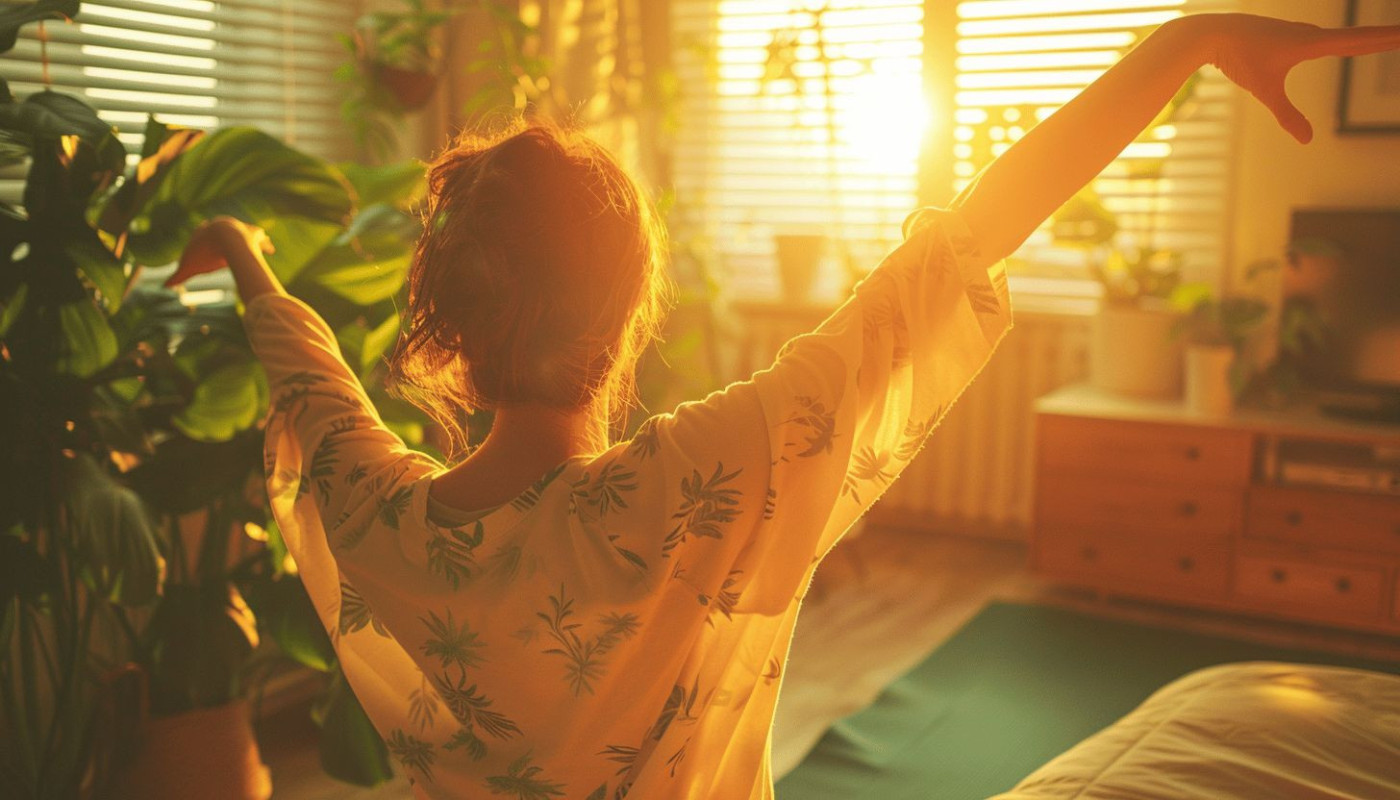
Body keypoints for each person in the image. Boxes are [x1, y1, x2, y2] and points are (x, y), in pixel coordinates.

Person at [167, 13, 1400, 799]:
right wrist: (1176, 43)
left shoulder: (379, 512)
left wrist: (243, 248)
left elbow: (309, 371)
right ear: (625, 313)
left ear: (446, 327)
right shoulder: (698, 481)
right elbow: (958, 245)